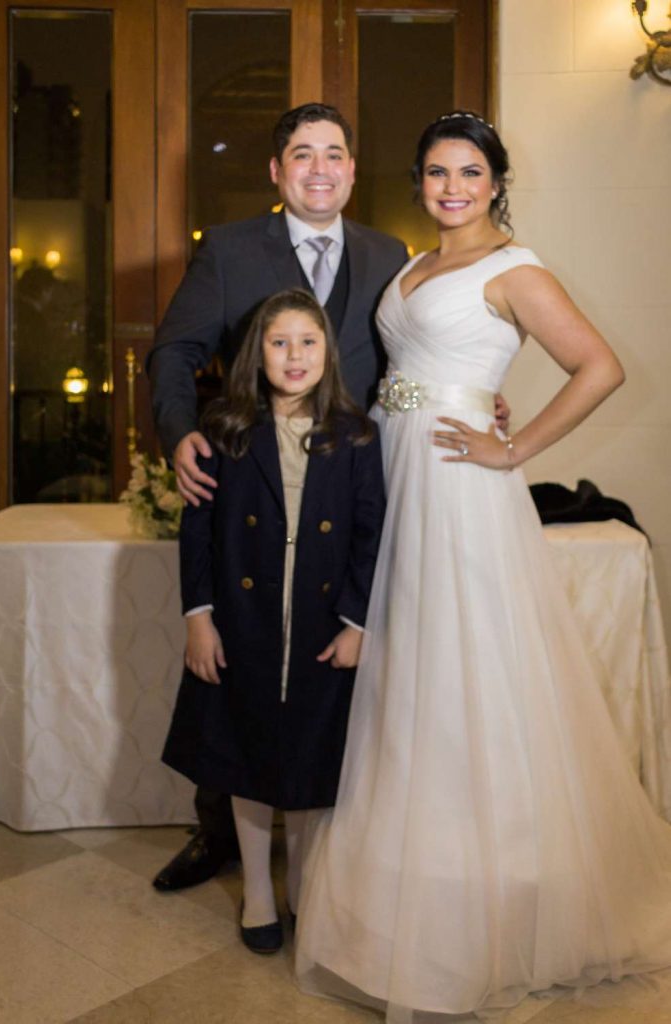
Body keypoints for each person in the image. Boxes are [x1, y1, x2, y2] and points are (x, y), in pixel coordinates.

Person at [295, 111, 671, 1020]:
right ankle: (414, 863)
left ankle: (487, 881)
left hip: (456, 482)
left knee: (463, 663)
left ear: (496, 182)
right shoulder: (413, 266)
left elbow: (598, 366)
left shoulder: (516, 269)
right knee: (404, 658)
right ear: (419, 182)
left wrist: (513, 446)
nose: (452, 187)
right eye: (436, 172)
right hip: (392, 464)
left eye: (469, 172)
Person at [148, 101, 509, 893]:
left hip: (347, 492)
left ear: (351, 168)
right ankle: (220, 832)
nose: (320, 169)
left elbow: (412, 356)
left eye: (334, 153)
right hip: (252, 486)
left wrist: (473, 397)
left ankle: (336, 841)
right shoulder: (229, 249)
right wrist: (179, 434)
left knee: (327, 672)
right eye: (302, 155)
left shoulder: (389, 254)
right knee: (241, 657)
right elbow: (174, 351)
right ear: (277, 171)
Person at [161, 289, 385, 954]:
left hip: (321, 624)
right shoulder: (225, 430)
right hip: (246, 621)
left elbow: (370, 535)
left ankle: (304, 888)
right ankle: (258, 890)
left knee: (313, 760)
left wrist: (356, 623)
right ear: (256, 353)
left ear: (328, 352)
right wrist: (199, 618)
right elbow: (197, 532)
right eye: (279, 342)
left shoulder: (356, 435)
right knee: (247, 755)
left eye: (308, 342)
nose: (294, 356)